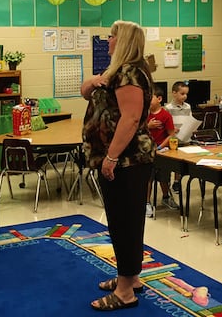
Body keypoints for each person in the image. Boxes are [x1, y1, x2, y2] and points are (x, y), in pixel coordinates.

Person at [81, 20, 155, 311]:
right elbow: (86, 91)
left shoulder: (129, 74)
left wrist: (111, 157)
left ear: (122, 41)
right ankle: (130, 277)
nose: (107, 41)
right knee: (123, 221)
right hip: (120, 159)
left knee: (125, 222)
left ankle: (125, 291)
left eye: (111, 37)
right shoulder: (117, 72)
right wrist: (94, 80)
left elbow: (131, 119)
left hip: (128, 160)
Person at [146, 85, 178, 217]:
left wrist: (160, 147)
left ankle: (166, 197)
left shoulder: (166, 115)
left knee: (163, 177)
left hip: (161, 151)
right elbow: (137, 129)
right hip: (147, 150)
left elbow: (171, 134)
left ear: (159, 99)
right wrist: (148, 126)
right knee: (148, 178)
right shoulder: (144, 113)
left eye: (150, 97)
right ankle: (146, 203)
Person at [165, 81, 191, 193]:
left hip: (185, 138)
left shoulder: (187, 106)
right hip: (173, 140)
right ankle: (169, 183)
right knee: (174, 163)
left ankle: (177, 181)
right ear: (174, 93)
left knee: (181, 164)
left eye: (186, 94)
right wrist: (171, 129)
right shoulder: (168, 108)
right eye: (182, 93)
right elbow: (166, 124)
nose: (184, 96)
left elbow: (190, 120)